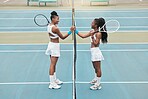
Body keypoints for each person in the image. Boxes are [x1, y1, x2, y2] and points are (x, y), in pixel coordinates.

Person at [74, 18, 108, 90]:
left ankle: (98, 84)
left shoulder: (98, 34)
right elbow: (83, 36)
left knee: (98, 68)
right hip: (93, 52)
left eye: (92, 23)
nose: (91, 24)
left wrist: (92, 37)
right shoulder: (92, 31)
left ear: (96, 25)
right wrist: (75, 31)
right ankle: (96, 79)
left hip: (96, 52)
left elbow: (96, 44)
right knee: (95, 68)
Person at [45, 11, 72, 89]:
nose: (58, 20)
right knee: (52, 64)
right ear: (53, 19)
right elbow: (63, 37)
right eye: (57, 19)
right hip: (54, 46)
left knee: (54, 64)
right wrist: (71, 31)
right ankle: (52, 83)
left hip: (51, 45)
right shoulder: (55, 28)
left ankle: (54, 79)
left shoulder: (49, 25)